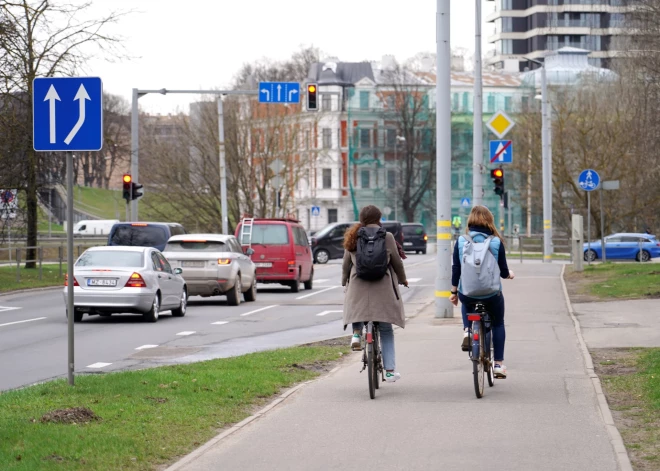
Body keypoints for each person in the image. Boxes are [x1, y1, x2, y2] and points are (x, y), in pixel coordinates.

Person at [342, 205, 408, 383]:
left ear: (361, 218)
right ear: (379, 218)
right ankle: (389, 371)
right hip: (383, 289)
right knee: (386, 330)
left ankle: (356, 333)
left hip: (359, 285)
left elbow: (346, 264)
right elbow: (397, 262)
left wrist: (344, 282)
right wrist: (403, 279)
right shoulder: (386, 237)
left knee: (356, 304)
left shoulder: (354, 236)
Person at [449, 205, 514, 379]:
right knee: (498, 323)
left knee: (466, 299)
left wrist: (454, 292)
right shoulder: (495, 242)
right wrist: (509, 275)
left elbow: (456, 269)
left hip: (467, 293)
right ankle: (498, 364)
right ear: (489, 221)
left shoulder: (461, 241)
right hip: (492, 294)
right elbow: (503, 271)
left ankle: (468, 331)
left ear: (470, 221)